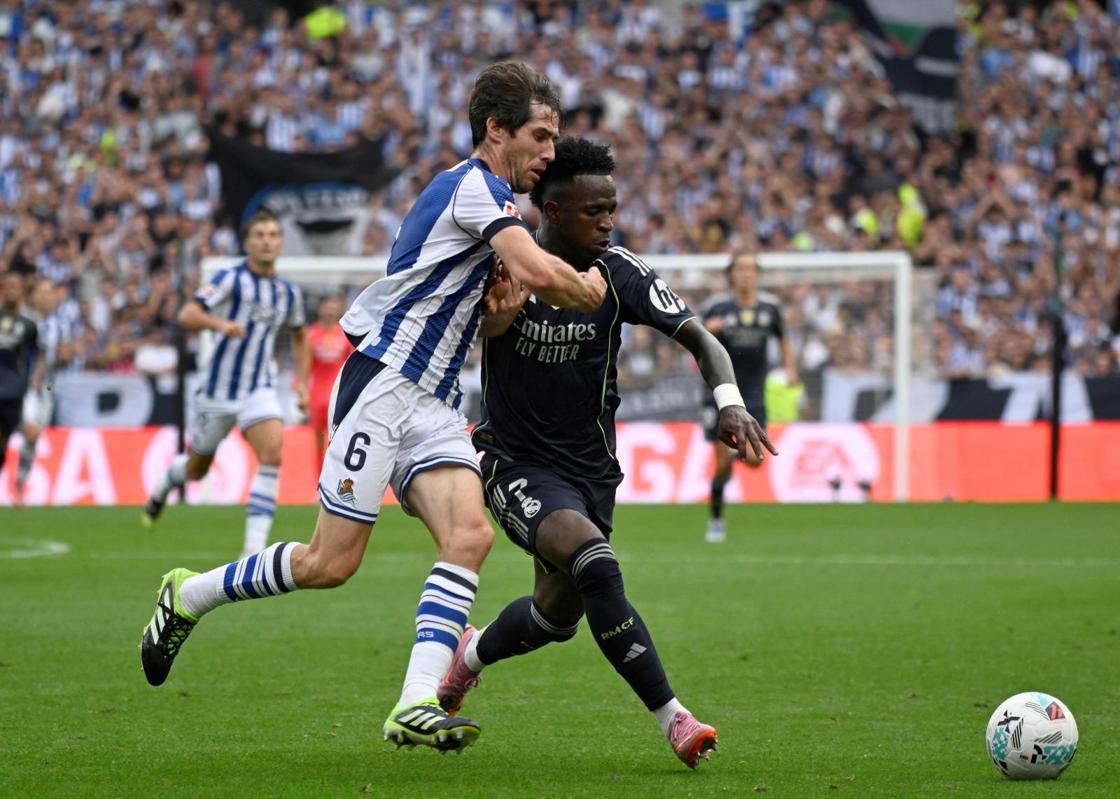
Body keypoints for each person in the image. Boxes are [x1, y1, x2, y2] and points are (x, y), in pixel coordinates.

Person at [139, 62, 607, 753]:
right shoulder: (473, 188)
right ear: (495, 130)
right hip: (384, 388)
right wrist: (591, 286)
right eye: (539, 137)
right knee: (330, 563)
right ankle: (189, 594)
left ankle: (415, 701)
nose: (549, 154)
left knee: (470, 537)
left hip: (437, 403)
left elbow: (488, 317)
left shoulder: (492, 205)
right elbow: (543, 273)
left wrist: (501, 316)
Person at [436, 138, 775, 768]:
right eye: (596, 211)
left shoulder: (619, 271)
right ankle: (675, 719)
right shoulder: (504, 269)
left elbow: (701, 336)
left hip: (591, 470)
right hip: (514, 463)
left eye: (612, 209)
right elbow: (453, 330)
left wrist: (729, 400)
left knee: (556, 616)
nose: (609, 222)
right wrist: (489, 324)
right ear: (554, 211)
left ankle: (470, 656)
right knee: (595, 562)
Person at [141, 209, 311, 559]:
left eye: (272, 234)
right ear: (248, 243)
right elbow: (187, 314)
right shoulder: (229, 279)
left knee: (272, 454)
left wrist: (302, 384)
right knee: (195, 468)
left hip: (258, 388)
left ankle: (253, 548)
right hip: (217, 391)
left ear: (280, 242)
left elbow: (300, 337)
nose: (266, 240)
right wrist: (219, 325)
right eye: (259, 234)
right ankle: (163, 485)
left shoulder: (287, 293)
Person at [701, 252, 798, 543]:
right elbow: (695, 340)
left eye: (750, 268)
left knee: (756, 459)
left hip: (754, 394)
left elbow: (783, 338)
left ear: (757, 274)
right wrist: (709, 330)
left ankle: (734, 455)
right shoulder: (717, 308)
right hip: (719, 392)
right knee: (719, 467)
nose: (745, 273)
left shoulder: (770, 309)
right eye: (740, 268)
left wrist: (790, 368)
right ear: (731, 274)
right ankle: (716, 520)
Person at [14, 279, 69, 503]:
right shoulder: (23, 319)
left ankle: (20, 482)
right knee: (31, 429)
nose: (46, 296)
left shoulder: (60, 325)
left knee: (34, 436)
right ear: (33, 295)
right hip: (23, 384)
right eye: (42, 291)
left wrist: (66, 356)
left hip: (48, 385)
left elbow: (61, 359)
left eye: (50, 292)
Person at [0, 272, 40, 491]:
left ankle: (21, 481)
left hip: (19, 390)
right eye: (8, 287)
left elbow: (38, 355)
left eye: (16, 287)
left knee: (29, 433)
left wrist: (36, 379)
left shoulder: (29, 325)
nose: (12, 291)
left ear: (22, 292)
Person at [305, 295, 352, 464]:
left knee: (339, 437)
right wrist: (301, 389)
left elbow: (351, 365)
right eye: (328, 306)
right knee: (318, 437)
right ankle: (318, 477)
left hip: (339, 393)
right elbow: (304, 365)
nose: (331, 310)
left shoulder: (345, 335)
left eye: (334, 306)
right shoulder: (311, 334)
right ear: (321, 308)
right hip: (317, 394)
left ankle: (336, 474)